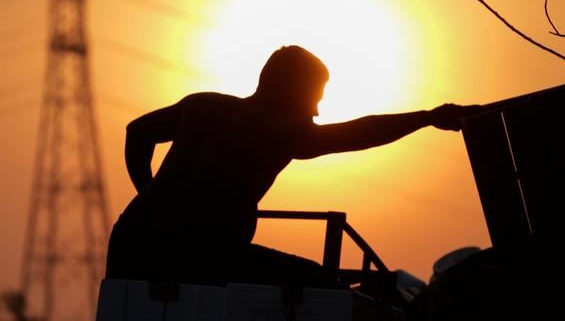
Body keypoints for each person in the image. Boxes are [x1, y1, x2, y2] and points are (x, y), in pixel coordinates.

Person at [105, 45, 477, 287]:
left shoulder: (203, 104)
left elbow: (137, 132)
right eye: (314, 99)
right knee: (323, 287)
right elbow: (358, 132)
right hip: (200, 252)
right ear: (291, 91)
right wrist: (427, 117)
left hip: (133, 237)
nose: (316, 111)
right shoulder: (282, 131)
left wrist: (151, 197)